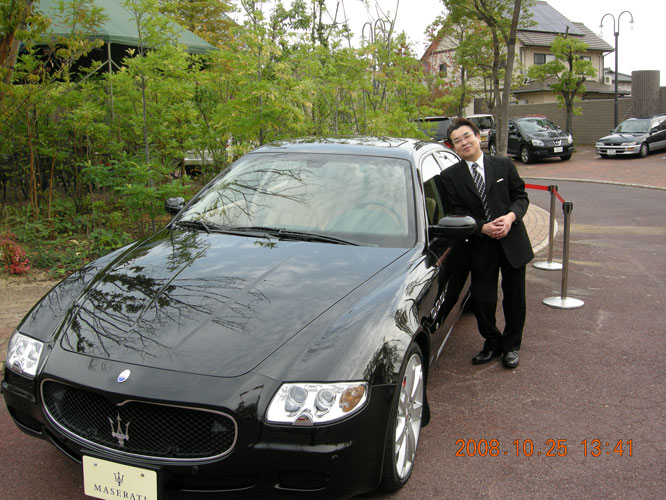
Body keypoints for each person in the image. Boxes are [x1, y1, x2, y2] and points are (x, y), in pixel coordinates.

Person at [439, 118, 533, 368]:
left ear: (477, 136)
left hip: (512, 241)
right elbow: (455, 212)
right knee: (482, 299)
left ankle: (511, 346)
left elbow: (521, 197)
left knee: (515, 298)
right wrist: (482, 227)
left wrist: (511, 217)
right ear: (453, 147)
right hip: (480, 244)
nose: (463, 143)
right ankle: (492, 341)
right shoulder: (450, 177)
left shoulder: (503, 165)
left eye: (466, 136)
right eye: (457, 141)